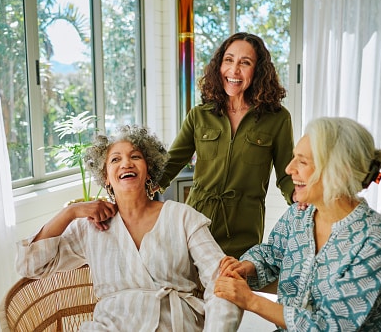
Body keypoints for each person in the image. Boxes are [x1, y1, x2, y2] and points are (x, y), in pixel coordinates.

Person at [16, 125, 243, 331]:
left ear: (149, 171)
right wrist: (70, 212)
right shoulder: (89, 229)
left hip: (174, 325)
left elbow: (222, 280)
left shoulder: (182, 217)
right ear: (106, 177)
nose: (126, 163)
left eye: (135, 156)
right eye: (115, 159)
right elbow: (30, 265)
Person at [215, 117, 381, 331]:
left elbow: (331, 326)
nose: (289, 169)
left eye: (302, 161)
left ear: (338, 172)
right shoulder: (298, 215)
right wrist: (246, 267)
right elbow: (272, 254)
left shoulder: (377, 238)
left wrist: (250, 301)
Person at [159, 32, 296, 259]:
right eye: (229, 60)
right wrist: (136, 188)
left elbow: (286, 175)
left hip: (243, 233)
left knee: (230, 292)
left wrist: (301, 198)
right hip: (196, 226)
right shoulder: (199, 115)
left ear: (258, 70)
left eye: (245, 63)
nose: (234, 70)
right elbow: (169, 164)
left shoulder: (278, 118)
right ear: (219, 65)